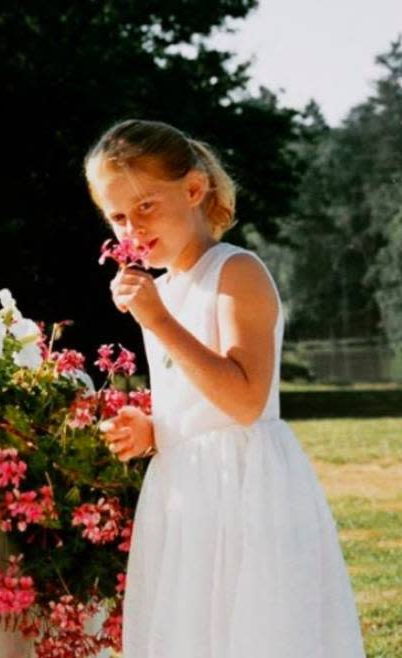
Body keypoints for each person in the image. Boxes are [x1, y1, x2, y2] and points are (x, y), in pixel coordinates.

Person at [83, 118, 366, 658]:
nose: (132, 229)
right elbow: (196, 403)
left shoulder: (236, 272)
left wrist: (159, 321)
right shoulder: (162, 291)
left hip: (244, 487)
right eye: (117, 216)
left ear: (193, 190)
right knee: (196, 635)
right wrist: (154, 430)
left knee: (255, 633)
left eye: (146, 206)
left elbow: (244, 400)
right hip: (186, 491)